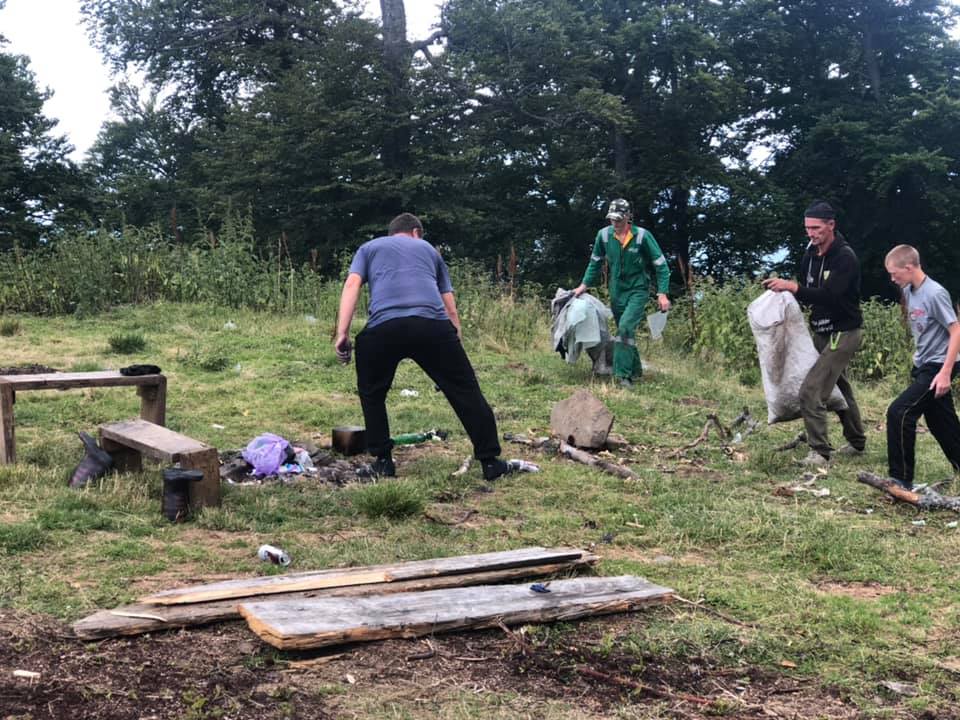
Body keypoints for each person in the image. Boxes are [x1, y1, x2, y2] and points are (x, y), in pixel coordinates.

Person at [334, 212, 514, 481]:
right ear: (417, 232)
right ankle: (490, 462)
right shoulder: (429, 250)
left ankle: (383, 461)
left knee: (372, 393)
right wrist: (454, 343)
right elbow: (448, 302)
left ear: (392, 233)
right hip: (432, 326)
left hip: (384, 327)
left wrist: (342, 333)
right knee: (465, 390)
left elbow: (352, 284)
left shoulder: (368, 248)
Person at [762, 201, 867, 465]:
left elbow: (830, 296)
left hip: (843, 333)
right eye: (807, 228)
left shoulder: (845, 257)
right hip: (819, 332)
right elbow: (807, 295)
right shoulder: (810, 255)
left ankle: (820, 452)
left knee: (811, 390)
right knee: (839, 389)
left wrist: (792, 287)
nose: (811, 233)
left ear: (831, 226)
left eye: (816, 228)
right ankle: (857, 442)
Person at [883, 245, 960, 490]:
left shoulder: (935, 293)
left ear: (909, 267)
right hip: (924, 365)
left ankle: (901, 479)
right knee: (941, 422)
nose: (892, 278)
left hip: (938, 366)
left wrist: (945, 372)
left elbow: (956, 330)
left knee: (900, 412)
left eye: (895, 273)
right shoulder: (909, 291)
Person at [572, 199, 671, 387]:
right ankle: (635, 370)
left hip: (638, 289)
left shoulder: (642, 236)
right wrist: (583, 285)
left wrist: (662, 293)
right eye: (612, 219)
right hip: (616, 290)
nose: (615, 223)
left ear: (627, 217)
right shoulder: (604, 236)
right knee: (625, 333)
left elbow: (661, 266)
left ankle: (622, 376)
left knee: (625, 327)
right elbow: (595, 262)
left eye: (618, 219)